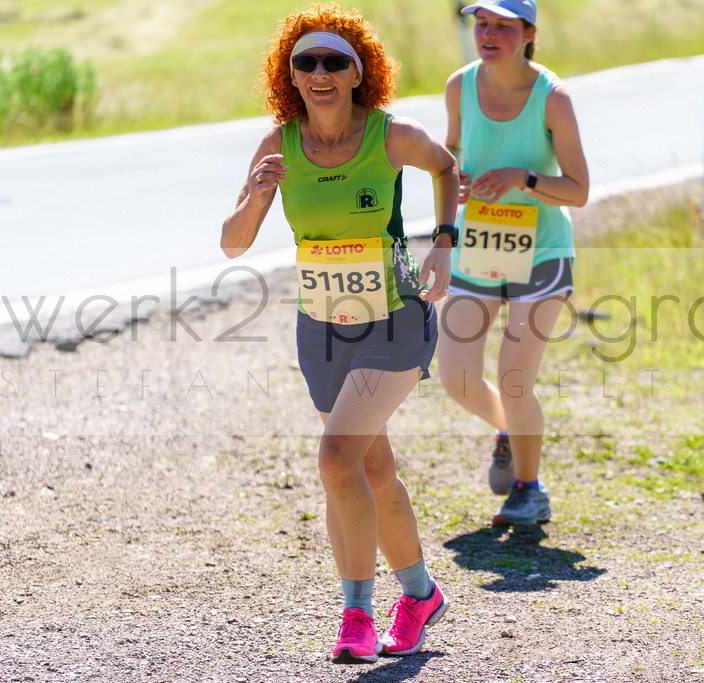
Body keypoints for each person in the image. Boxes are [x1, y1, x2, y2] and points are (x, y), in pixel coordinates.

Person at [221, 4, 460, 665]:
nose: (320, 72)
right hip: (322, 329)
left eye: (335, 61)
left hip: (395, 318)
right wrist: (255, 197)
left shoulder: (392, 136)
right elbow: (233, 244)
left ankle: (357, 614)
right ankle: (421, 595)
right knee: (371, 467)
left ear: (360, 73)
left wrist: (444, 243)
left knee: (335, 459)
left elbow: (446, 168)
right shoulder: (278, 146)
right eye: (306, 62)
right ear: (291, 77)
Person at [439, 0, 589, 526]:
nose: (488, 34)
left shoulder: (553, 98)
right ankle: (511, 430)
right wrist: (454, 182)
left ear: (528, 33)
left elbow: (578, 190)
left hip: (542, 253)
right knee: (456, 377)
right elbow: (450, 155)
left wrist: (521, 178)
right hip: (479, 246)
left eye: (503, 26)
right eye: (481, 23)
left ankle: (530, 489)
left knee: (514, 379)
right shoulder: (459, 86)